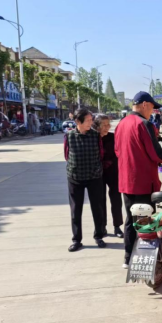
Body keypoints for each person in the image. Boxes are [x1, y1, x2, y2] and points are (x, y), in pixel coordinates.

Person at [115, 92, 162, 269]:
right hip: (143, 180)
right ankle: (146, 259)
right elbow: (156, 153)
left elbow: (117, 151)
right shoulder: (143, 124)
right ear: (145, 104)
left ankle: (128, 257)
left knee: (131, 219)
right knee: (146, 220)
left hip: (126, 180)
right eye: (152, 108)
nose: (152, 112)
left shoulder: (122, 123)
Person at [64, 108, 107, 252]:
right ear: (78, 121)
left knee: (97, 208)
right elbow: (67, 155)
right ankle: (76, 239)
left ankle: (99, 235)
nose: (91, 123)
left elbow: (101, 154)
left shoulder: (95, 135)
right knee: (75, 210)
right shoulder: (69, 136)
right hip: (75, 178)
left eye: (91, 120)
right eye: (88, 120)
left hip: (94, 177)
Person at [93, 114, 124, 238]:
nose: (107, 127)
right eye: (104, 125)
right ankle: (102, 227)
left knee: (116, 199)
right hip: (97, 173)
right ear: (97, 126)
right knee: (100, 200)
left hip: (113, 171)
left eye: (108, 124)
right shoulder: (93, 138)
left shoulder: (113, 137)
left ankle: (117, 226)